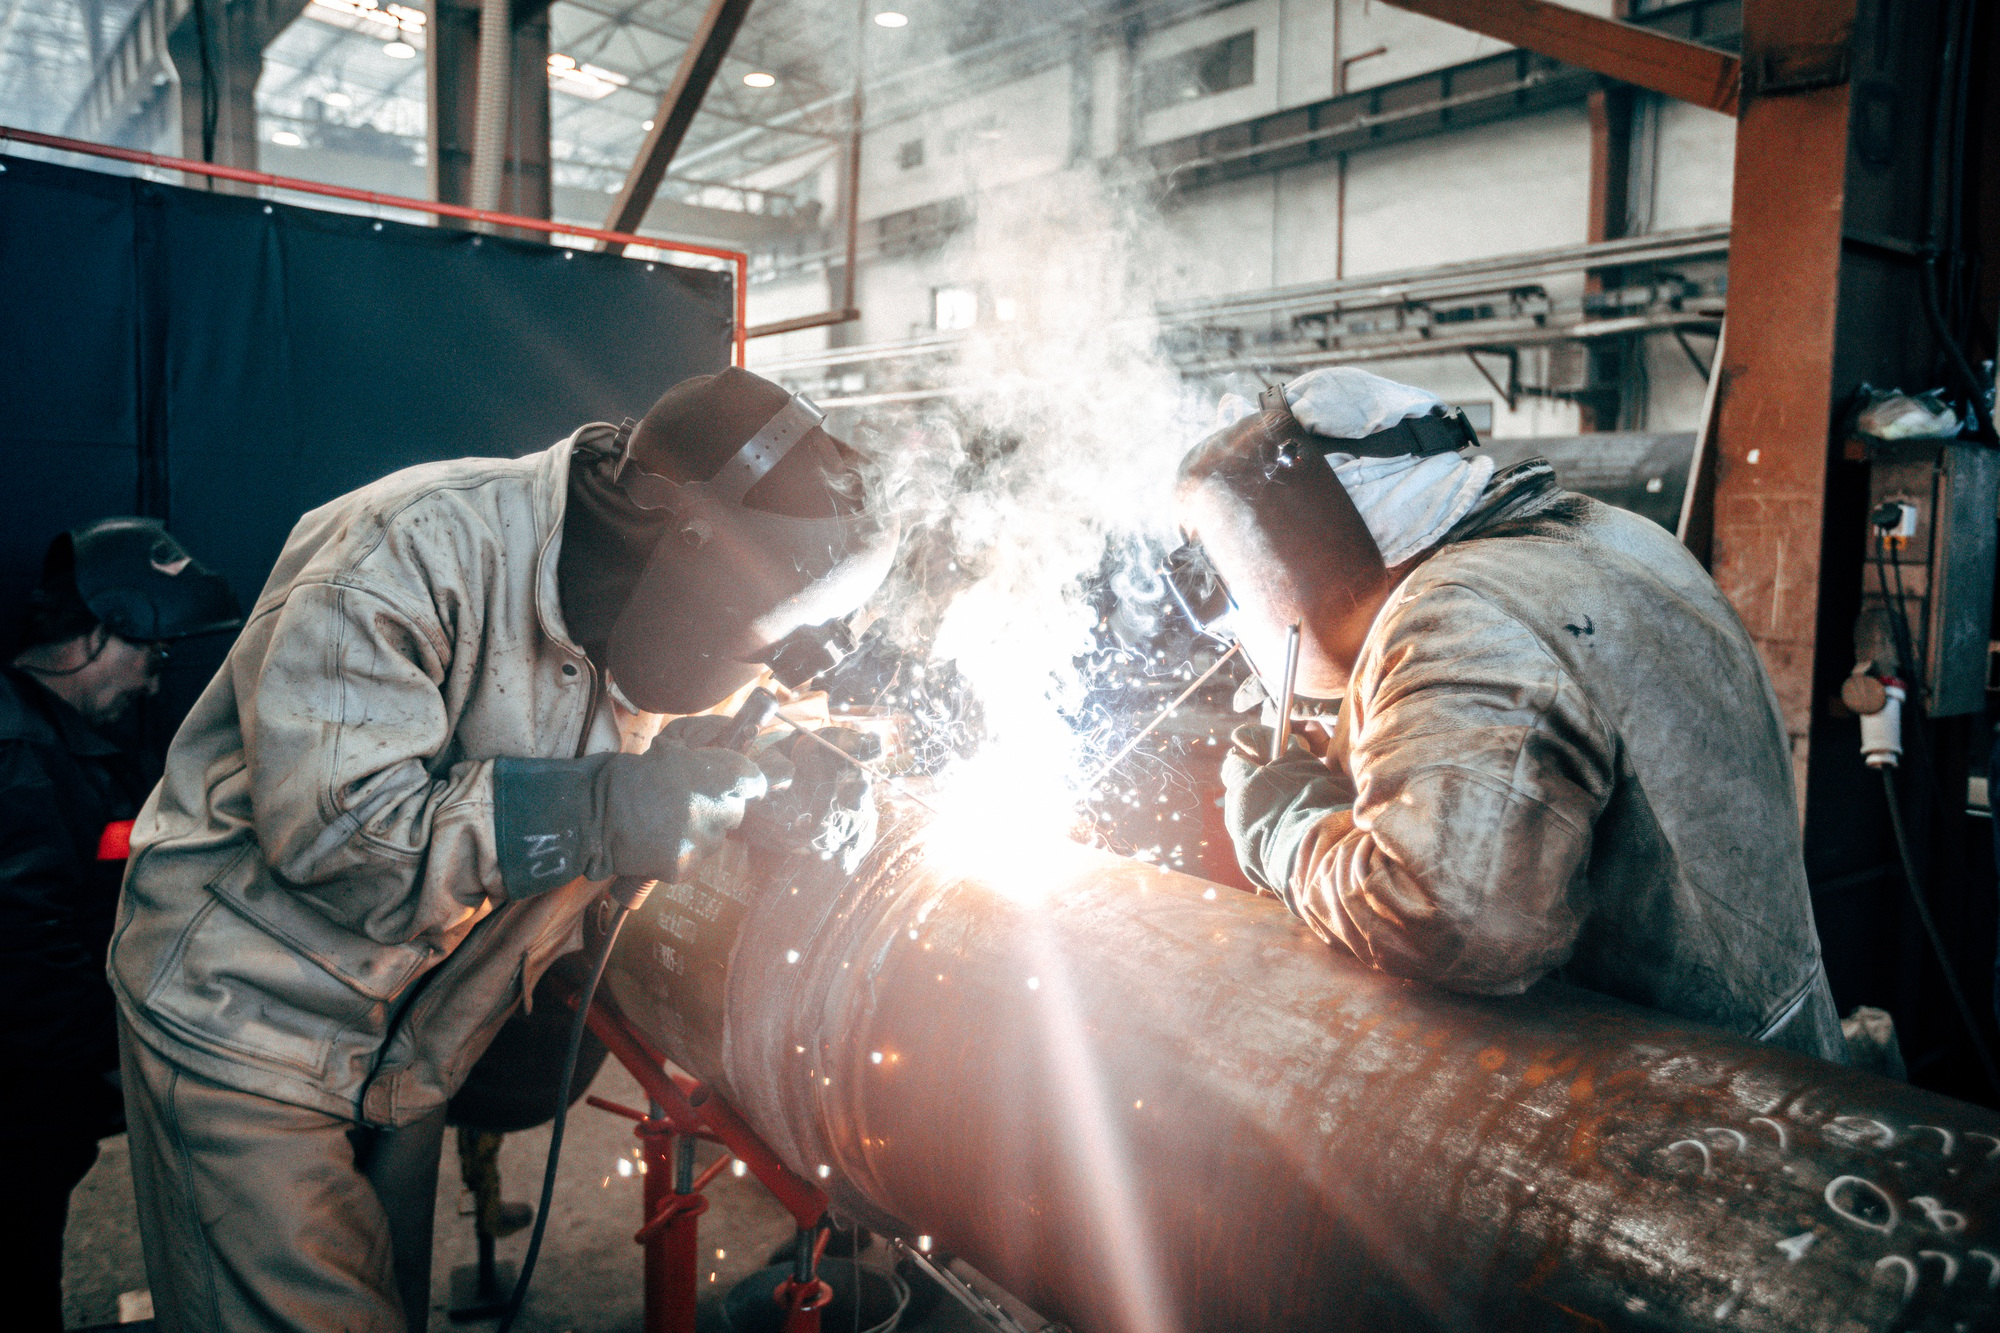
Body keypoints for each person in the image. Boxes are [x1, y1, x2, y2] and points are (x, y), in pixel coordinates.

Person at [108, 367, 898, 1333]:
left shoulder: (649, 589)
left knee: (381, 1308)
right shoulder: (407, 552)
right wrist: (608, 810)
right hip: (250, 1025)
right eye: (760, 632)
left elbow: (666, 726)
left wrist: (781, 765)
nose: (752, 659)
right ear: (691, 559)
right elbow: (341, 835)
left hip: (408, 1050)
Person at [1183, 367, 1846, 1062]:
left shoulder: (1456, 614)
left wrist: (1288, 828)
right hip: (1776, 1057)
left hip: (1673, 1108)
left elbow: (1451, 920)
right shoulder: (1603, 536)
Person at [0, 519, 242, 1332]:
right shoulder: (20, 757)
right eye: (151, 654)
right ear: (99, 632)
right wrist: (114, 1066)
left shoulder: (59, 743)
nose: (152, 679)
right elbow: (26, 960)